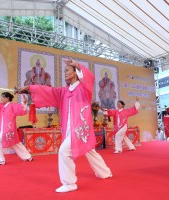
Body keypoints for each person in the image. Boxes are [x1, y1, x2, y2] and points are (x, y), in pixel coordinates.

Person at [16, 59, 112, 193]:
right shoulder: (64, 91)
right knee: (89, 150)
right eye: (64, 71)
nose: (65, 73)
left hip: (79, 128)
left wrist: (77, 65)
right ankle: (105, 172)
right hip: (68, 127)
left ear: (76, 73)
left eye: (67, 70)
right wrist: (28, 89)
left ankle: (69, 183)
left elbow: (89, 77)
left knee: (64, 151)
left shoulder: (84, 89)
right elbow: (48, 91)